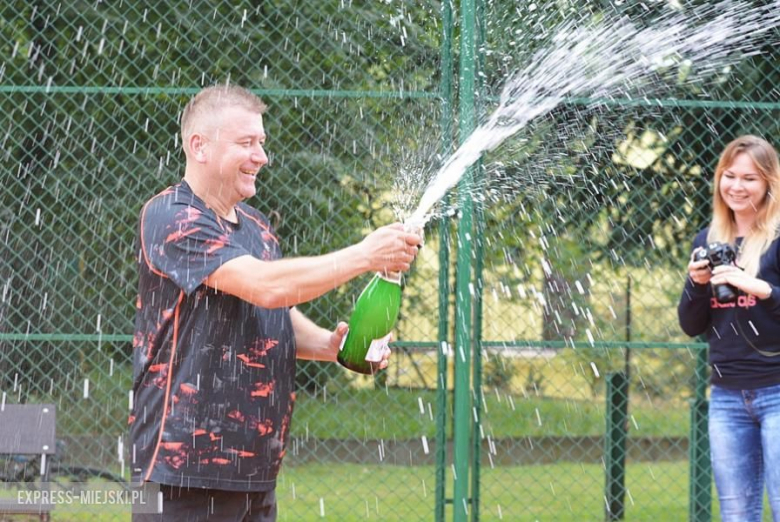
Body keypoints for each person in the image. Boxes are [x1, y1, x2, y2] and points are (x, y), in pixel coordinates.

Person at [128, 84, 422, 521]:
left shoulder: (257, 228)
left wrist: (330, 346)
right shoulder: (172, 215)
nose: (261, 156)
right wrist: (364, 255)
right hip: (182, 472)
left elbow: (272, 308)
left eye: (261, 143)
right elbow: (263, 285)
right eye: (247, 143)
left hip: (256, 470)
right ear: (199, 146)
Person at [678, 135, 780, 522]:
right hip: (726, 397)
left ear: (769, 182)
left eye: (750, 178)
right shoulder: (707, 241)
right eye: (730, 176)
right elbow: (691, 325)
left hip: (777, 389)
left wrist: (760, 287)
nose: (737, 186)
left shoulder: (778, 239)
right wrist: (696, 283)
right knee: (737, 514)